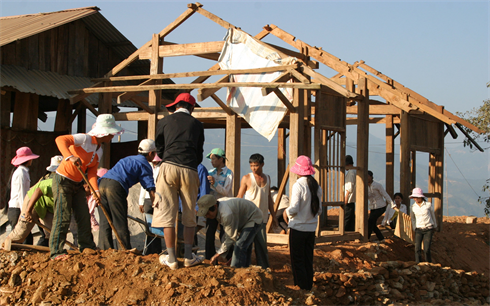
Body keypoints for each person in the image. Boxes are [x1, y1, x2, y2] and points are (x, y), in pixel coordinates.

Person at [49, 114, 123, 261]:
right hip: (63, 181)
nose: (113, 136)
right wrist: (69, 156)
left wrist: (96, 191)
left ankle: (87, 246)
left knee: (83, 216)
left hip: (78, 184)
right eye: (112, 134)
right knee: (62, 216)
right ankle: (56, 252)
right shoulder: (84, 139)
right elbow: (60, 140)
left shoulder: (99, 150)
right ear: (105, 133)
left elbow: (92, 173)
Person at [154, 93, 205, 270]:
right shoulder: (198, 125)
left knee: (167, 213)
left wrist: (167, 156)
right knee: (190, 212)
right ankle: (189, 257)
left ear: (176, 106)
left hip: (168, 167)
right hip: (190, 169)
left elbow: (159, 147)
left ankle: (172, 258)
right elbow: (199, 151)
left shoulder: (164, 121)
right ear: (191, 108)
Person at [97, 139, 160, 250]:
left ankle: (105, 250)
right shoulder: (144, 164)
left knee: (105, 221)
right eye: (154, 153)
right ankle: (124, 250)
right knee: (119, 220)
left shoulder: (128, 158)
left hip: (102, 184)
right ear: (150, 153)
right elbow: (149, 186)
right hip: (115, 187)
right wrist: (155, 203)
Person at [3, 155, 61, 247]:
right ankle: (7, 246)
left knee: (52, 234)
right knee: (21, 232)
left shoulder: (67, 182)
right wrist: (27, 211)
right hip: (34, 203)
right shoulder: (51, 181)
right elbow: (33, 191)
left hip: (48, 207)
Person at [283, 155, 322, 291]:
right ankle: (308, 287)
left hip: (298, 228)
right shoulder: (316, 186)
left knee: (297, 260)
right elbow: (320, 210)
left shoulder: (298, 185)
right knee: (307, 259)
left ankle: (300, 288)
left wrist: (286, 212)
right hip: (311, 229)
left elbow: (294, 208)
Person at [197, 194, 263, 268]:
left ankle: (237, 270)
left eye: (208, 213)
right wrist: (235, 256)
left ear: (215, 206)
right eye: (205, 214)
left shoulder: (226, 214)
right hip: (243, 218)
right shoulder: (219, 207)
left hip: (253, 217)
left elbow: (230, 237)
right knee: (244, 246)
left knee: (240, 245)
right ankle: (245, 268)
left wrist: (217, 254)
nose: (207, 216)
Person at [237, 153, 275, 269]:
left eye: (256, 165)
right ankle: (244, 268)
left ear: (262, 165)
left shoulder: (267, 178)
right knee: (246, 245)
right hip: (248, 219)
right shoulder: (247, 178)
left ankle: (264, 269)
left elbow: (269, 198)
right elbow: (240, 196)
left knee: (262, 246)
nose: (254, 168)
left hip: (262, 219)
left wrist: (273, 216)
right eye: (251, 165)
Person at [8, 147, 40, 245]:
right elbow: (22, 193)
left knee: (26, 237)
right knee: (21, 238)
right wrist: (25, 211)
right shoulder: (21, 173)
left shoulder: (23, 171)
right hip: (18, 208)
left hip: (18, 208)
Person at [205, 148, 233, 259]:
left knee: (225, 233)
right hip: (211, 206)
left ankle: (226, 256)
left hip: (224, 206)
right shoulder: (210, 172)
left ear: (221, 159)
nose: (211, 162)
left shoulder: (229, 173)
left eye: (213, 159)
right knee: (209, 232)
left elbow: (226, 191)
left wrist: (215, 183)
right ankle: (209, 257)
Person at [138, 154, 163, 254]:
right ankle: (149, 250)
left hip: (159, 199)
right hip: (148, 199)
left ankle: (156, 249)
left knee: (157, 225)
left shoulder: (162, 168)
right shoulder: (148, 167)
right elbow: (144, 185)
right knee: (149, 226)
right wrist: (141, 201)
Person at [409, 188, 437, 263]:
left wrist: (435, 225)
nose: (416, 199)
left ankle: (428, 263)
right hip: (419, 229)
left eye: (417, 197)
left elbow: (432, 215)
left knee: (426, 249)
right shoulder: (413, 207)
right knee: (417, 248)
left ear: (421, 197)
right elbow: (413, 218)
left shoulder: (428, 205)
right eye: (414, 197)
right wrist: (415, 227)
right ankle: (418, 263)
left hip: (428, 228)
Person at [367, 170, 392, 242]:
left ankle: (367, 238)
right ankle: (381, 238)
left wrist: (391, 203)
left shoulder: (377, 185)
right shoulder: (365, 186)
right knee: (373, 224)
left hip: (380, 206)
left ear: (371, 177)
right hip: (372, 207)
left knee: (370, 221)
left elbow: (385, 194)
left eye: (368, 176)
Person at [344, 155, 356, 231]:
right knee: (351, 217)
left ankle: (344, 230)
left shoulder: (351, 172)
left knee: (346, 216)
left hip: (348, 198)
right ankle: (351, 230)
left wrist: (346, 197)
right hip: (352, 199)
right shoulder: (355, 170)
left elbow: (350, 186)